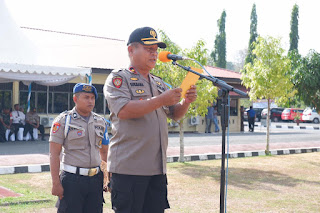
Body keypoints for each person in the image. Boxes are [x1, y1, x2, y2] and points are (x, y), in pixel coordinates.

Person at [104, 26, 197, 213]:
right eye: (148, 49)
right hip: (129, 168)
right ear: (131, 50)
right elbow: (122, 110)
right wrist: (161, 100)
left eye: (156, 50)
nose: (154, 54)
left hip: (156, 168)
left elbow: (175, 114)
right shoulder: (119, 78)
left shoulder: (158, 82)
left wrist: (186, 101)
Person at [49, 83, 109, 213]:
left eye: (93, 98)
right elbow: (54, 154)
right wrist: (56, 183)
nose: (90, 101)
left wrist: (106, 177)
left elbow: (104, 151)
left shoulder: (100, 122)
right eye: (86, 97)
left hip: (95, 179)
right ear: (75, 99)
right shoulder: (63, 121)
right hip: (72, 180)